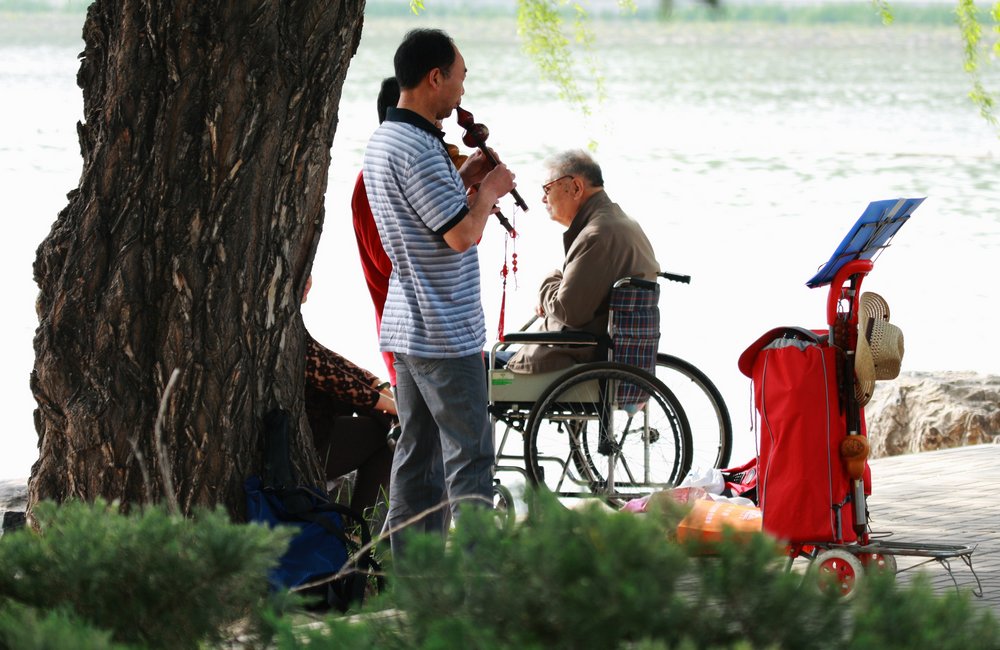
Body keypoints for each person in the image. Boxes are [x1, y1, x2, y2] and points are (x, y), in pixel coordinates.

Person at [362, 28, 516, 557]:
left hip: (408, 324)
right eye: (459, 79)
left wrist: (467, 180)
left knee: (417, 460)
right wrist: (490, 194)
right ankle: (476, 587)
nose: (461, 93)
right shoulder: (420, 149)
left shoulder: (388, 139)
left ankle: (412, 584)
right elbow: (459, 236)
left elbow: (427, 214)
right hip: (445, 332)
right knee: (470, 461)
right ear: (435, 78)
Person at [351, 77, 468, 387]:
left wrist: (461, 199)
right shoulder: (374, 179)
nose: (439, 131)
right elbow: (392, 264)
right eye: (433, 119)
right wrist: (465, 219)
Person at [505, 149, 660, 374]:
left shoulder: (596, 235)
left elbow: (567, 311)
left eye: (547, 189)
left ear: (576, 187)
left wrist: (549, 280)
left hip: (569, 358)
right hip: (588, 351)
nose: (543, 198)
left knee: (479, 368)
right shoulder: (619, 222)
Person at [302, 276, 395, 518]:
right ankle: (357, 532)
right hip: (300, 443)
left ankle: (403, 428)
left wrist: (380, 387)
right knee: (386, 437)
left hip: (311, 432)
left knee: (381, 416)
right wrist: (393, 406)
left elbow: (333, 362)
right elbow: (324, 369)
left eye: (310, 273)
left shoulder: (288, 324)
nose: (309, 281)